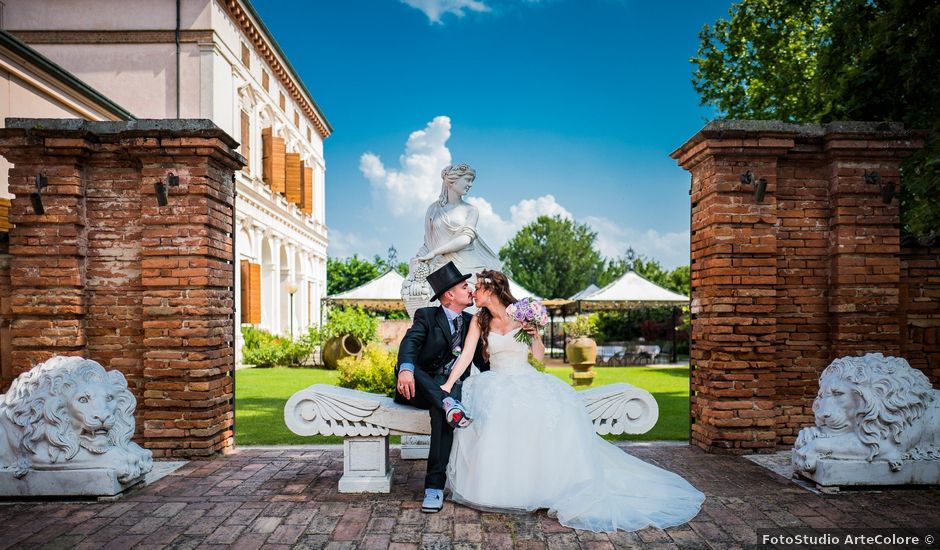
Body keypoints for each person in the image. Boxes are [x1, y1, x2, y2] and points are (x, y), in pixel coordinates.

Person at [439, 270, 705, 532]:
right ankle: (500, 488)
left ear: (494, 289)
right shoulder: (479, 321)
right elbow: (466, 357)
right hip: (495, 381)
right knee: (493, 419)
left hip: (525, 377)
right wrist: (448, 385)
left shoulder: (521, 314)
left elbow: (540, 357)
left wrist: (535, 335)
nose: (473, 291)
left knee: (545, 417)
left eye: (478, 287)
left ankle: (546, 486)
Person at [395, 261, 488, 514]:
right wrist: (405, 368)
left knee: (443, 410)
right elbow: (410, 344)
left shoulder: (472, 322)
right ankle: (446, 401)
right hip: (418, 389)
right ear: (449, 294)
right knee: (419, 373)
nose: (470, 290)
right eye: (464, 286)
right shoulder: (426, 316)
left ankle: (433, 488)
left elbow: (481, 361)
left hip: (452, 391)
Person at [402, 163, 501, 307]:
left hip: (466, 265)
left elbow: (465, 239)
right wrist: (420, 260)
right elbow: (428, 241)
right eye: (467, 180)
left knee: (469, 309)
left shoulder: (471, 210)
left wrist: (435, 252)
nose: (470, 184)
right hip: (440, 267)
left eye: (471, 181)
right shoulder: (433, 209)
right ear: (453, 180)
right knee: (436, 311)